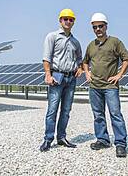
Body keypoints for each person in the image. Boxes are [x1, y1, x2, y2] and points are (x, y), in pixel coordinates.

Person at [83, 12, 128, 158]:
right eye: (95, 27)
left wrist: (119, 75)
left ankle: (121, 144)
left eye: (100, 26)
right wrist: (87, 73)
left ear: (106, 26)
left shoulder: (115, 42)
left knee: (115, 114)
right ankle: (103, 140)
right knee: (98, 115)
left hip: (110, 87)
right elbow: (85, 61)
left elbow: (126, 58)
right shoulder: (91, 45)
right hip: (94, 87)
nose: (98, 29)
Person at [40, 8, 83, 152]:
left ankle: (62, 137)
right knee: (52, 110)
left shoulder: (76, 42)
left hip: (71, 78)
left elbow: (79, 59)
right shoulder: (52, 36)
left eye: (71, 19)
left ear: (73, 22)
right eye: (66, 19)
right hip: (56, 76)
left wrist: (80, 68)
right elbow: (46, 57)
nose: (68, 21)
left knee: (66, 110)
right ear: (60, 20)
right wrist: (48, 74)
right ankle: (48, 139)